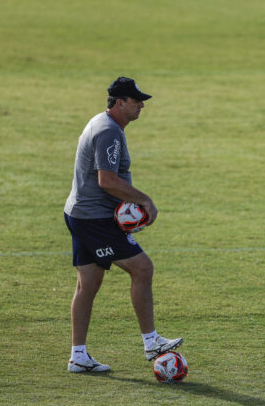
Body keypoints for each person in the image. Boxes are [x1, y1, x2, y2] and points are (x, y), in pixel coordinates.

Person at [63, 76, 182, 373]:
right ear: (120, 103)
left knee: (88, 282)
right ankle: (151, 341)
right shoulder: (108, 132)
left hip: (81, 213)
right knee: (142, 268)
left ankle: (78, 356)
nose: (141, 105)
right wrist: (145, 200)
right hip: (94, 218)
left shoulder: (103, 123)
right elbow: (107, 181)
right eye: (136, 100)